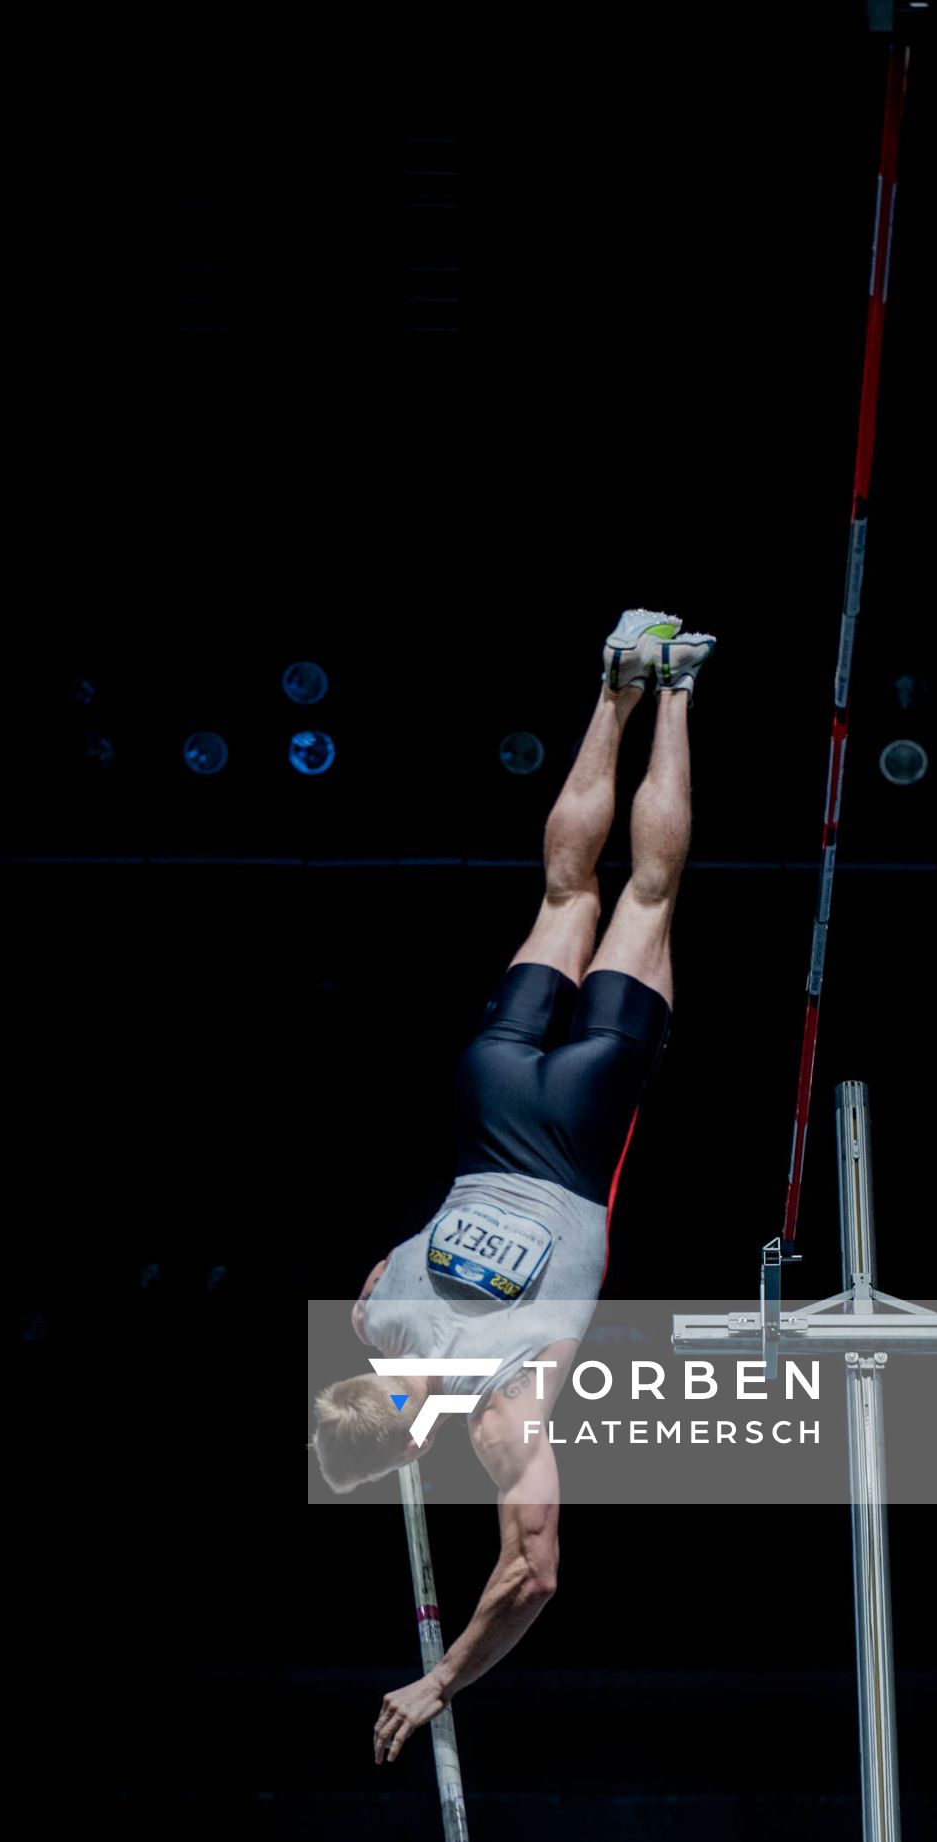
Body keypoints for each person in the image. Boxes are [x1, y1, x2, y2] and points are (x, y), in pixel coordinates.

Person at [308, 608, 716, 1763]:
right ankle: (616, 684)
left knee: (645, 899)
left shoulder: (497, 1418)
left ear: (403, 1449)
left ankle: (678, 687)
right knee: (563, 891)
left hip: (583, 1121)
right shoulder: (373, 1317)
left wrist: (441, 1680)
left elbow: (532, 1570)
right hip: (488, 1102)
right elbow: (389, 1268)